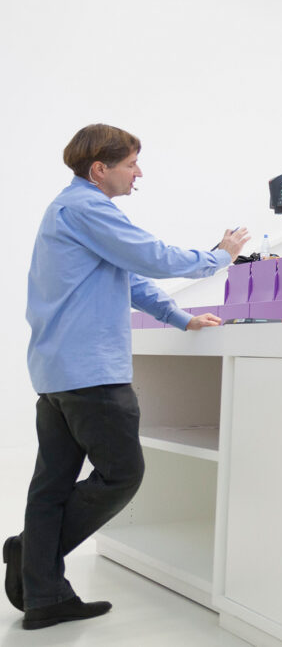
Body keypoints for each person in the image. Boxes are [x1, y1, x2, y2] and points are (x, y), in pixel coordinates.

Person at [10, 124, 248, 631]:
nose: (139, 173)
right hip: (91, 374)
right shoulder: (87, 208)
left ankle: (44, 594)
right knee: (122, 474)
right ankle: (31, 555)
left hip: (57, 373)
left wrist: (182, 318)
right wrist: (219, 255)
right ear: (100, 169)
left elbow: (130, 279)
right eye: (131, 164)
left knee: (50, 486)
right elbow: (152, 257)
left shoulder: (68, 212)